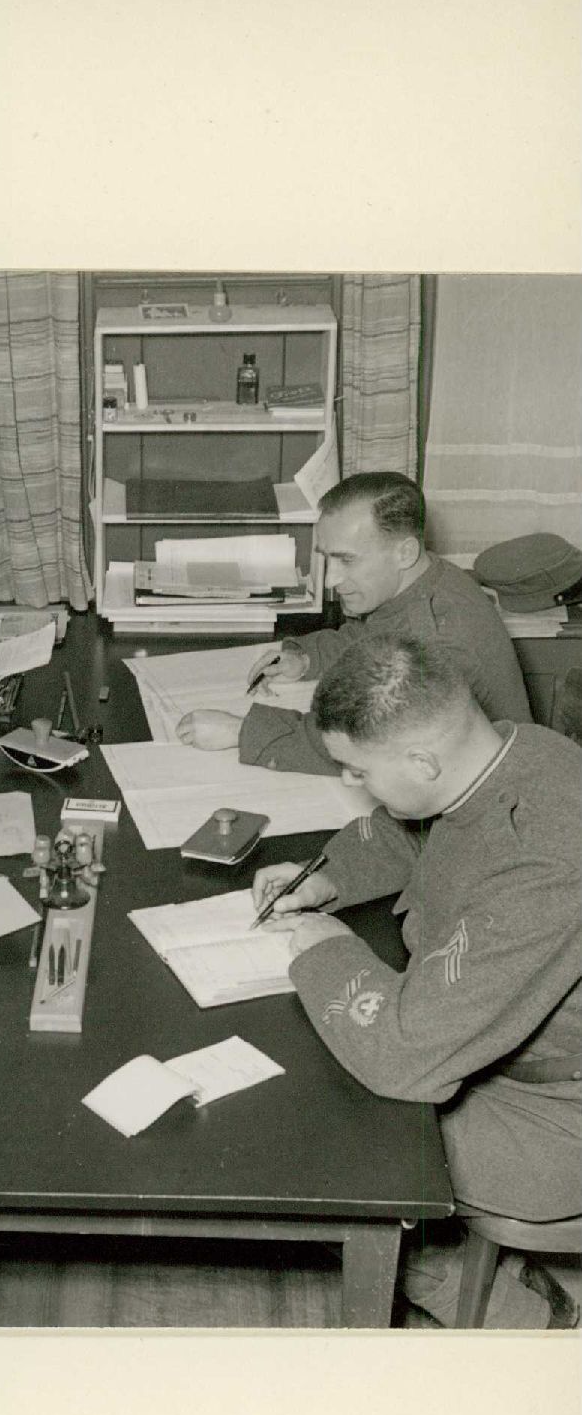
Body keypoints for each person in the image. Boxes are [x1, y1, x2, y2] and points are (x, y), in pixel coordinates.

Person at [252, 635, 581, 1328]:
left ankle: (500, 1304)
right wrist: (326, 878)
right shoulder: (512, 752)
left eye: (358, 771)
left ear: (423, 761)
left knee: (314, 1135)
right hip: (503, 1048)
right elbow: (423, 830)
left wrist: (325, 947)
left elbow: (405, 1056)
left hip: (554, 1115)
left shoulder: (544, 861)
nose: (353, 784)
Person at [174, 471, 531, 774]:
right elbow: (375, 636)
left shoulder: (439, 638)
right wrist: (306, 659)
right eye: (327, 559)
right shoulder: (424, 581)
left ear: (405, 552)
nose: (331, 580)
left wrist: (241, 731)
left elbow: (371, 742)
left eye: (346, 560)